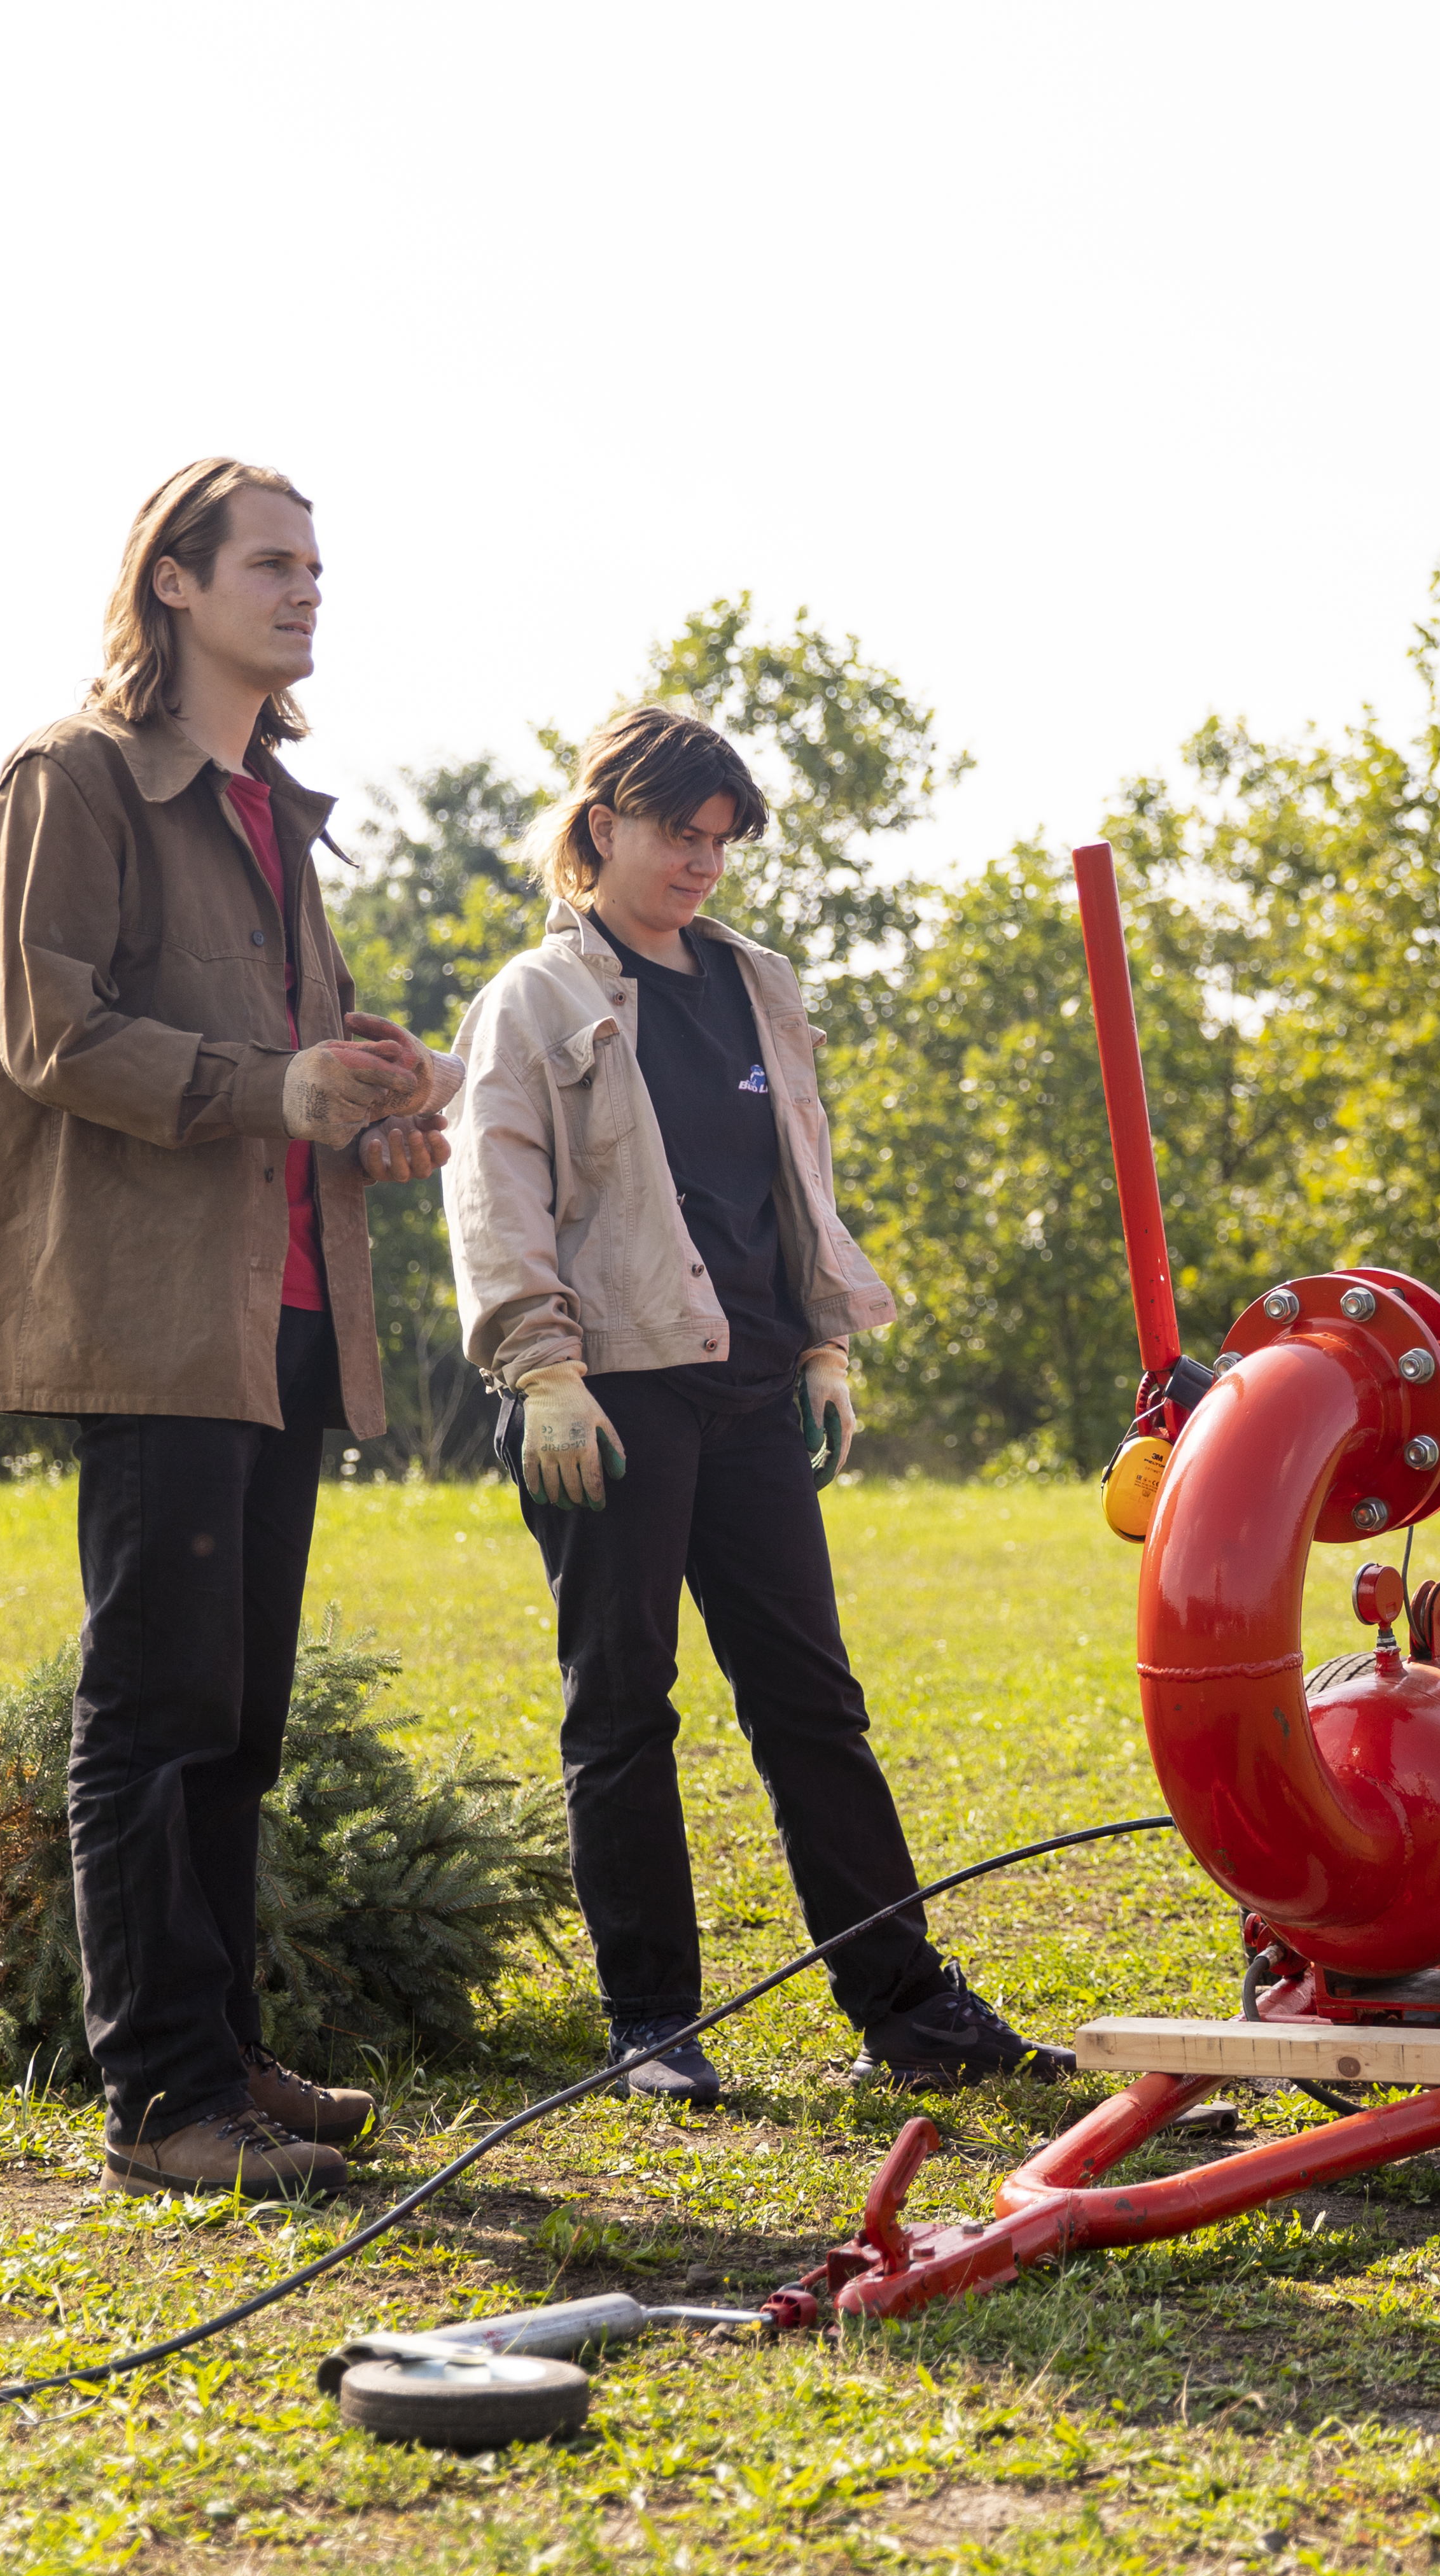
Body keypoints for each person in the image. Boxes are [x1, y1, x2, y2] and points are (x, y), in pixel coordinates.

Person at [0, 456, 457, 2201]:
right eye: (273, 565)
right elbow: (47, 1033)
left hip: (283, 1317)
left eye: (319, 567)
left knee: (241, 1713)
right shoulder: (70, 780)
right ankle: (159, 2102)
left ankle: (220, 2053)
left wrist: (369, 1108)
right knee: (151, 1712)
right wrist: (269, 1084)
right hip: (149, 1324)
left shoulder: (274, 813)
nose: (309, 593)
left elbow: (278, 1074)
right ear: (174, 585)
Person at [443, 707, 1066, 2099]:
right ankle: (651, 2024)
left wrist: (829, 1342)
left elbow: (797, 1170)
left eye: (723, 841)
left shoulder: (755, 982)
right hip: (606, 1403)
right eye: (681, 832)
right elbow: (494, 1198)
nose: (704, 862)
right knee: (624, 1708)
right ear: (603, 825)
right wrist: (541, 1370)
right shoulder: (534, 1001)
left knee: (811, 1706)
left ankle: (909, 2010)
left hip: (754, 1389)